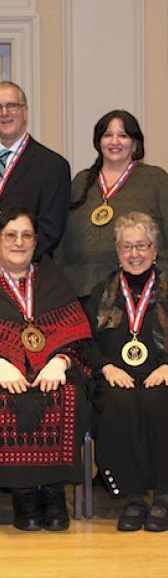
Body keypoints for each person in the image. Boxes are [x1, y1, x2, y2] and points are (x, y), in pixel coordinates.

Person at [0, 207, 92, 531]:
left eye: (26, 235)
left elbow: (78, 335)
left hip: (50, 371)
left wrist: (60, 361)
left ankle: (54, 492)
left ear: (36, 240)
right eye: (10, 235)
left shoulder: (52, 277)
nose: (19, 242)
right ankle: (24, 494)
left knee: (70, 397)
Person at [86, 212, 168, 532]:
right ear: (118, 253)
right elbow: (84, 342)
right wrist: (106, 367)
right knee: (120, 405)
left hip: (160, 375)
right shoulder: (101, 293)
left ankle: (162, 496)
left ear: (154, 249)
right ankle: (133, 497)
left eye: (141, 246)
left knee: (156, 402)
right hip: (114, 377)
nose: (134, 254)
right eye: (126, 247)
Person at [0, 81, 71, 270]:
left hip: (27, 273)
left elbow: (50, 229)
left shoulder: (52, 165)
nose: (4, 113)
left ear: (25, 112)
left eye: (11, 106)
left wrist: (13, 264)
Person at [56, 110, 168, 299]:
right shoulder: (81, 182)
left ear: (135, 144)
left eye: (123, 135)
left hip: (139, 295)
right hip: (79, 292)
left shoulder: (156, 180)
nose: (114, 141)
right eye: (108, 135)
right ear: (99, 142)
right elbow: (61, 241)